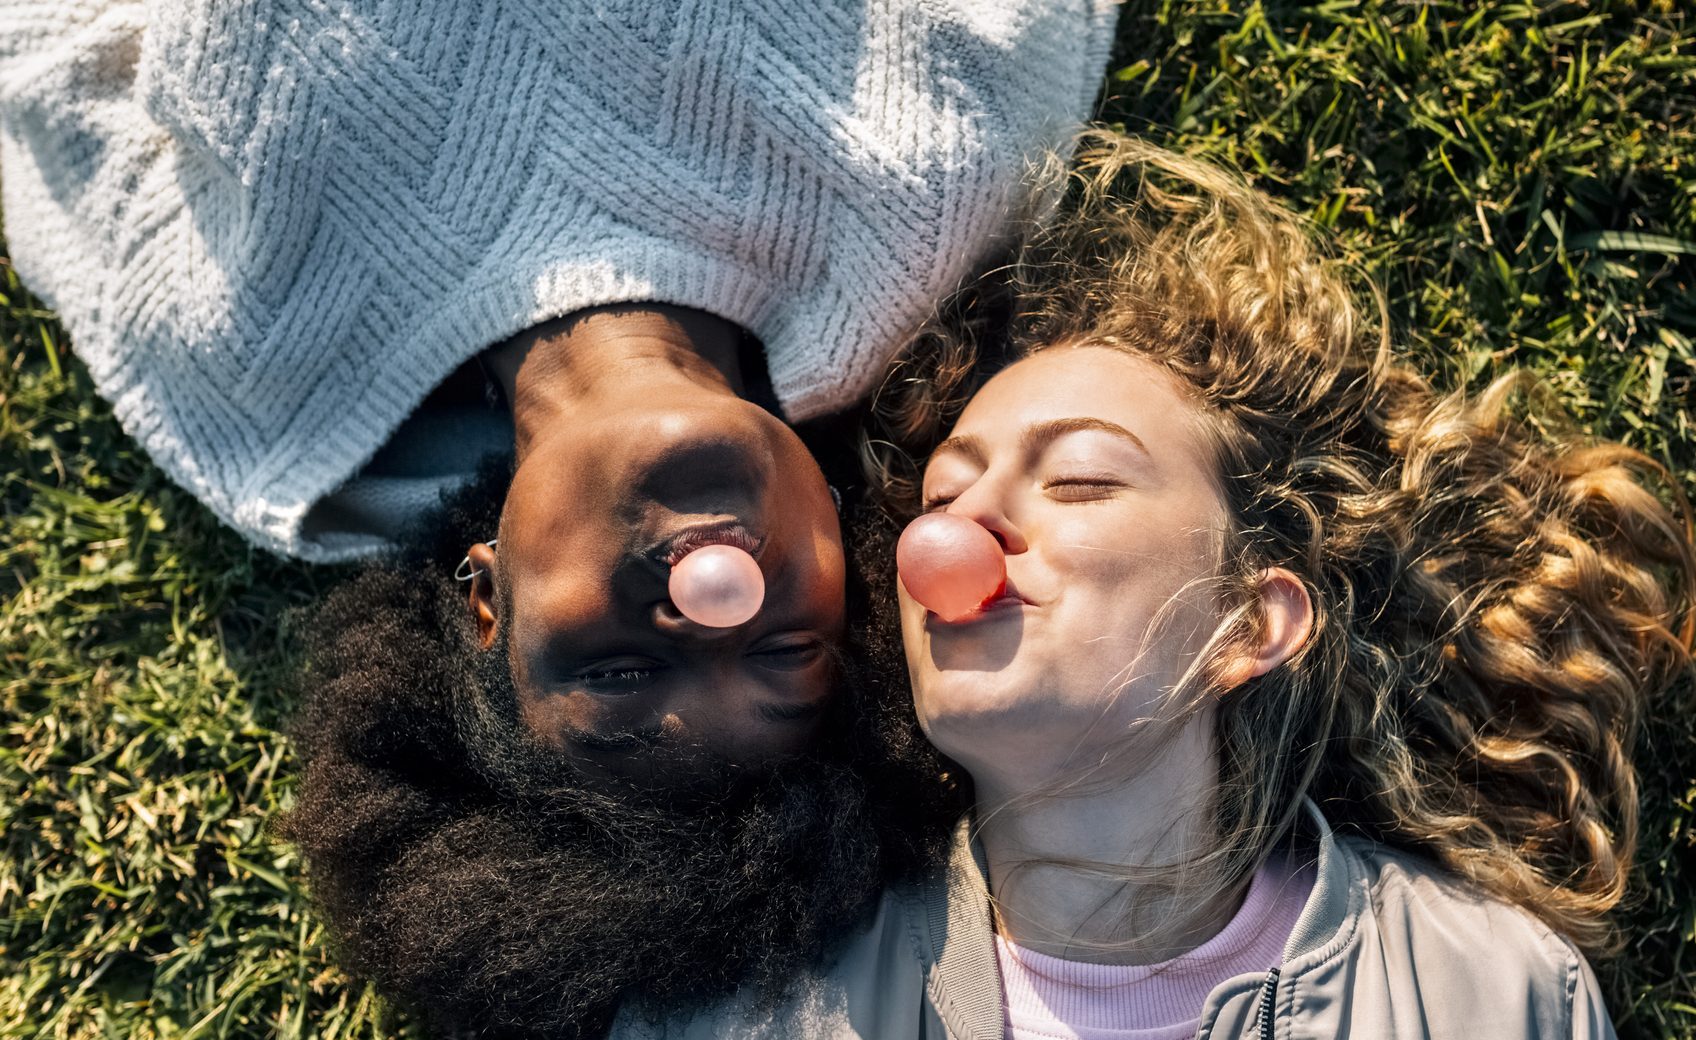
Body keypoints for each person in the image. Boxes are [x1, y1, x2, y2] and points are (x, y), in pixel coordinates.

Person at [469, 132, 1696, 1040]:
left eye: (1076, 478)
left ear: (1250, 622)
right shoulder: (735, 1012)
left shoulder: (1494, 1004)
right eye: (944, 492)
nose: (962, 530)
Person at [0, 0, 1120, 765]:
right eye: (786, 649)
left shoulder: (247, 369)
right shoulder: (927, 201)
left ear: (487, 604)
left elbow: (42, 72)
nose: (705, 599)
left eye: (620, 668)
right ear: (844, 557)